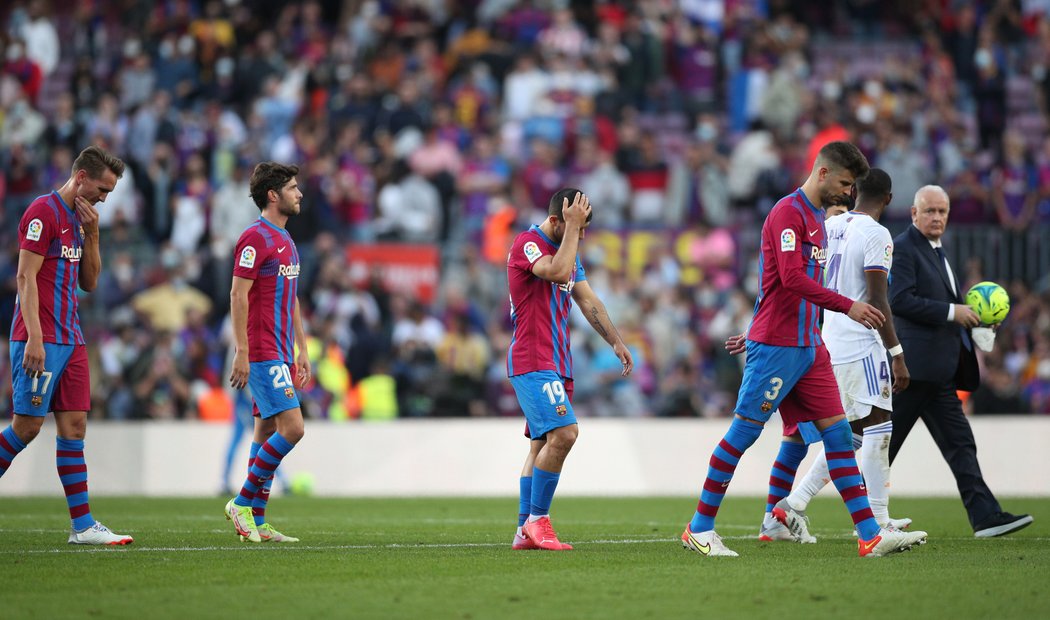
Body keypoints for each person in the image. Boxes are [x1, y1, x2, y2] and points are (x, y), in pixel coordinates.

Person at [681, 142, 928, 558]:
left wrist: (756, 322)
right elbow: (792, 279)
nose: (850, 194)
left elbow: (777, 283)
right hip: (778, 346)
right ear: (823, 173)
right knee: (743, 434)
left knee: (838, 436)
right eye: (846, 184)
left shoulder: (817, 218)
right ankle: (700, 528)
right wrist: (847, 304)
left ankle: (870, 535)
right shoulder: (787, 214)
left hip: (810, 347)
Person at [760, 168, 914, 543]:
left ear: (855, 191)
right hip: (861, 342)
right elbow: (877, 300)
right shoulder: (877, 234)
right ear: (889, 200)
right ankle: (873, 519)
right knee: (875, 427)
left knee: (850, 433)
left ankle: (793, 507)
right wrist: (896, 351)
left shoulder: (830, 226)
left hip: (824, 339)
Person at [0, 145, 134, 545]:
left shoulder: (80, 221)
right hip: (40, 338)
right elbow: (24, 278)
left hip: (72, 338)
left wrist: (92, 235)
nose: (104, 199)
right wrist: (36, 339)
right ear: (80, 178)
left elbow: (89, 282)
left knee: (74, 428)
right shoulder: (42, 212)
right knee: (25, 428)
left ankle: (83, 526)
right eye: (102, 189)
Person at [888, 185, 1033, 538]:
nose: (937, 218)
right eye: (930, 211)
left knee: (961, 444)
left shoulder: (937, 251)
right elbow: (900, 300)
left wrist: (976, 323)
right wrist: (954, 311)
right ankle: (804, 502)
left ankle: (985, 516)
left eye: (942, 212)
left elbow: (941, 308)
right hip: (913, 371)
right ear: (914, 213)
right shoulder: (904, 248)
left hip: (938, 374)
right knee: (879, 447)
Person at [507, 188, 634, 551]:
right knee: (565, 434)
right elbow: (556, 270)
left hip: (558, 362)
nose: (581, 235)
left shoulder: (569, 251)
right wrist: (573, 228)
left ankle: (523, 531)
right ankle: (538, 522)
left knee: (541, 444)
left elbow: (588, 299)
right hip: (533, 358)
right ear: (555, 221)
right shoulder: (527, 244)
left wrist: (615, 341)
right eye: (576, 227)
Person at [224, 162, 312, 544]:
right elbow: (237, 294)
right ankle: (242, 502)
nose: (300, 193)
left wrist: (302, 348)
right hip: (260, 350)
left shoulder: (287, 241)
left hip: (280, 349)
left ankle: (257, 521)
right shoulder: (254, 239)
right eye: (293, 188)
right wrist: (242, 350)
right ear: (273, 195)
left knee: (264, 430)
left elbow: (291, 300)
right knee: (293, 429)